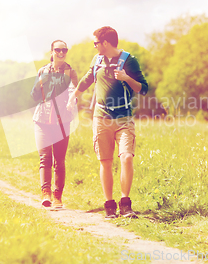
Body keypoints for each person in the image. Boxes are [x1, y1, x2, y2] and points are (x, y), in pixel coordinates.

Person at [67, 26, 148, 218]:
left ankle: (125, 204)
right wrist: (73, 97)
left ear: (105, 43)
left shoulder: (129, 60)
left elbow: (143, 88)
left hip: (124, 118)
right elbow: (88, 79)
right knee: (105, 161)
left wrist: (127, 78)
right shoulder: (97, 60)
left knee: (126, 157)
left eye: (96, 42)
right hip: (101, 117)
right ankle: (109, 205)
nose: (94, 46)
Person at [31, 40, 78, 210]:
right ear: (51, 51)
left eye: (64, 49)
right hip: (42, 120)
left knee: (59, 160)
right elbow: (35, 96)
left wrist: (72, 101)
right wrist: (39, 83)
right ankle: (46, 194)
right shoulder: (43, 71)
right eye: (57, 49)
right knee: (45, 159)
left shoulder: (70, 72)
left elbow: (74, 89)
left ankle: (58, 197)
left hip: (62, 121)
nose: (61, 52)